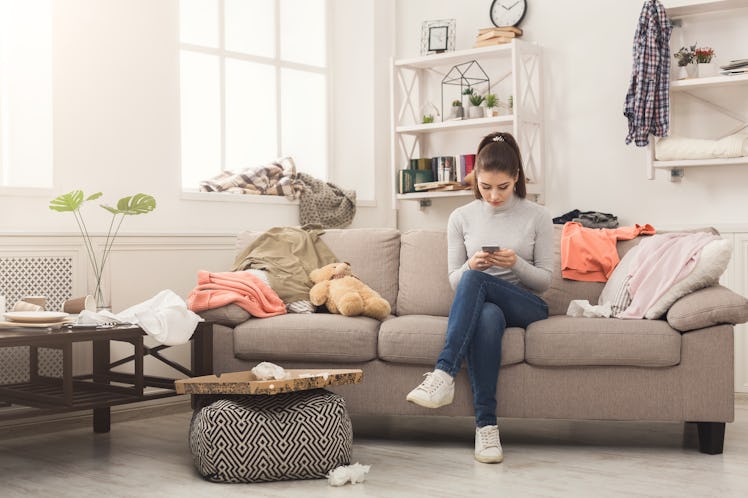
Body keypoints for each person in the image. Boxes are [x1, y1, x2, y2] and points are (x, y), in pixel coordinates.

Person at [405, 131, 553, 464]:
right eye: (485, 187)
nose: (494, 196)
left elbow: (544, 282)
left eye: (502, 187)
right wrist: (472, 264)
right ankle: (486, 428)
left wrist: (517, 263)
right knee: (484, 310)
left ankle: (443, 374)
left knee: (476, 280)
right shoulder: (461, 217)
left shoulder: (538, 216)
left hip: (525, 305)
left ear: (516, 178)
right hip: (485, 307)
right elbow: (456, 280)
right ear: (476, 180)